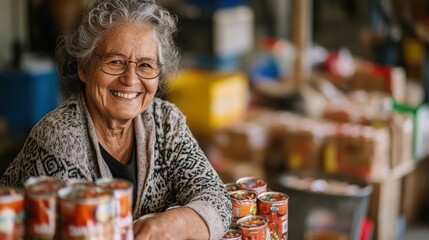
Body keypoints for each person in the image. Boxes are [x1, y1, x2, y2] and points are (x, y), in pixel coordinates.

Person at [0, 0, 233, 239]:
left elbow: (217, 198)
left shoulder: (166, 121)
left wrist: (177, 223)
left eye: (145, 65)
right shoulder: (59, 138)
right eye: (115, 62)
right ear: (84, 67)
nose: (130, 79)